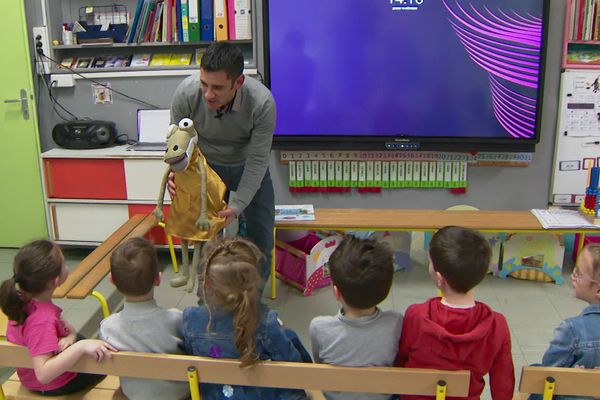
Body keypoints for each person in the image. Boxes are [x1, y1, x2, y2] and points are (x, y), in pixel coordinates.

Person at [169, 41, 276, 283]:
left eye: (217, 87)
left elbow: (258, 159)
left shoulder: (262, 103)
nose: (208, 94)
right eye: (204, 84)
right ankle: (207, 300)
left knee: (261, 239)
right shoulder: (185, 94)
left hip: (247, 165)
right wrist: (177, 176)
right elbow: (179, 147)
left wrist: (239, 204)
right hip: (205, 167)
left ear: (238, 83)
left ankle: (252, 301)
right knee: (204, 238)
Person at [182, 236, 309, 400]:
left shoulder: (190, 319)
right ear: (254, 281)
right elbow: (295, 370)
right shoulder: (267, 324)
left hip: (213, 395)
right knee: (290, 336)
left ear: (207, 283)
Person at [395, 226, 514, 400]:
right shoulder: (496, 324)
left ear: (439, 278)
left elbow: (401, 363)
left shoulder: (416, 315)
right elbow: (503, 383)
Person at [0, 240, 115, 396]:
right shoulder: (41, 321)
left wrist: (70, 337)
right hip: (51, 384)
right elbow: (43, 374)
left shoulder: (23, 300)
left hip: (30, 374)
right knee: (103, 364)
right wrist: (80, 347)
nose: (67, 266)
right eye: (64, 263)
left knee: (81, 340)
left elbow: (70, 330)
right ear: (56, 280)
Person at [309, 235, 403, 400]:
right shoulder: (396, 323)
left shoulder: (319, 327)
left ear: (336, 292)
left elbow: (319, 364)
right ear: (386, 290)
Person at [99, 237, 190, 400]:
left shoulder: (107, 327)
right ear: (158, 278)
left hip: (134, 395)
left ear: (112, 280)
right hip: (179, 396)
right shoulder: (177, 319)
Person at [529, 243, 600, 400]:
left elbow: (549, 375)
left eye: (578, 273)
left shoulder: (573, 330)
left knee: (537, 374)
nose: (572, 276)